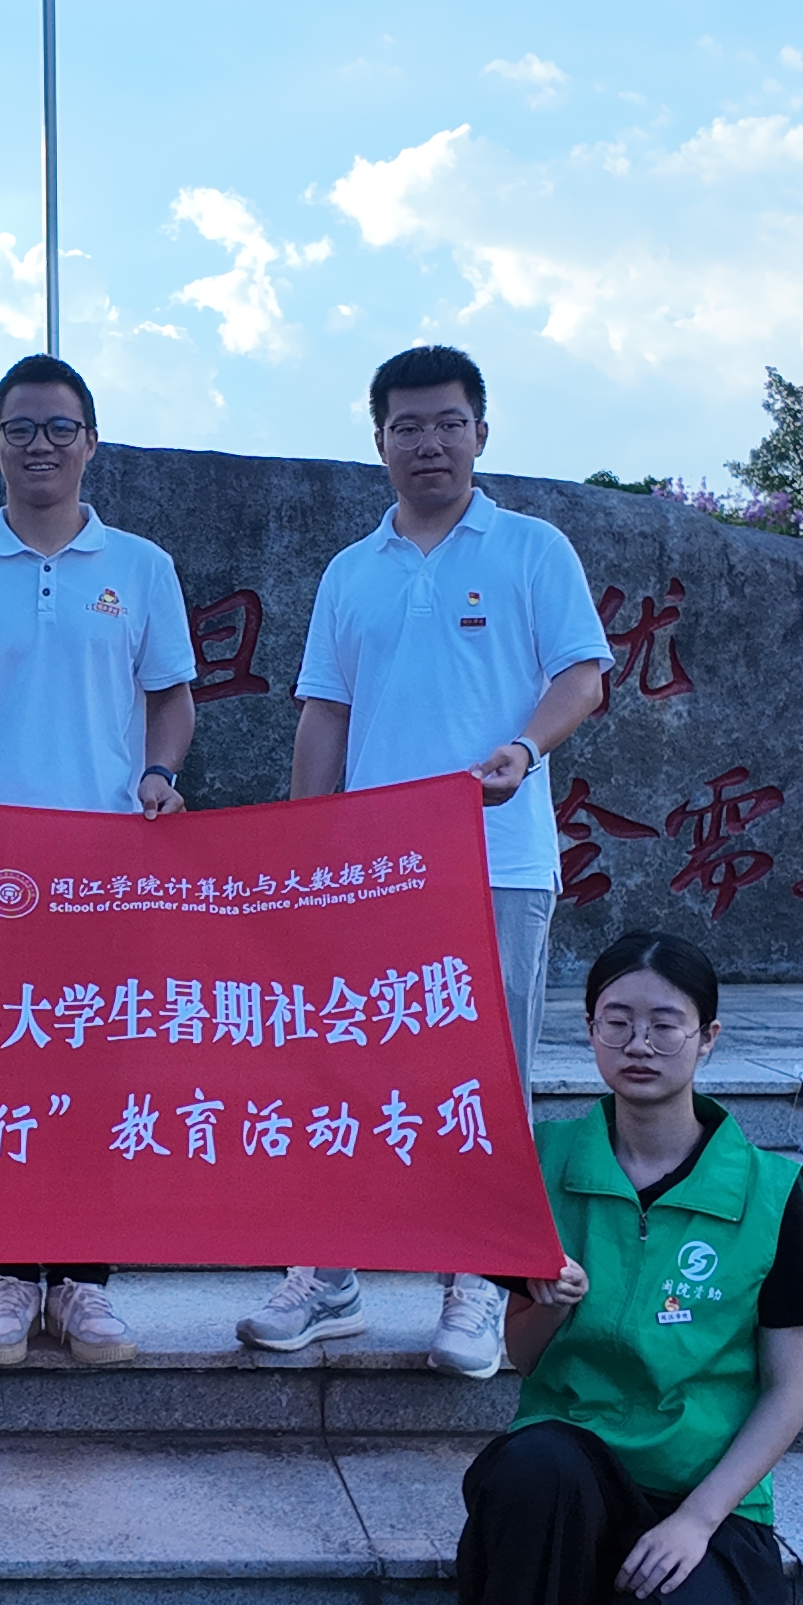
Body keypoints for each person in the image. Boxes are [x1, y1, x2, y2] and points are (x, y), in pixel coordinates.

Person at [234, 344, 612, 1377]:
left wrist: (524, 749)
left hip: (496, 860)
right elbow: (325, 715)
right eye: (407, 426)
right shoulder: (352, 571)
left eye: (449, 422)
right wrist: (302, 858)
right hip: (369, 875)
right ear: (379, 441)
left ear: (481, 432)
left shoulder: (531, 550)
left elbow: (582, 677)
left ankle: (477, 1281)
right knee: (341, 1069)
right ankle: (328, 1273)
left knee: (485, 1077)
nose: (429, 442)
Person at [448, 929, 803, 1605]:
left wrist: (698, 1520)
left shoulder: (768, 1192)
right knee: (536, 1463)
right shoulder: (546, 1164)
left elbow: (789, 1389)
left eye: (666, 1023)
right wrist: (551, 1304)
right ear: (589, 1030)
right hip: (573, 1489)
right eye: (616, 1020)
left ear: (708, 1038)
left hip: (701, 1497)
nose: (639, 1043)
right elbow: (522, 1358)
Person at [0, 353, 197, 1367]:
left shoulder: (141, 568)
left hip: (106, 864)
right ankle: (3, 1277)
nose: (41, 445)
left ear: (91, 443)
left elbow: (172, 698)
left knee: (96, 1069)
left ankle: (82, 1281)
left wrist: (158, 773)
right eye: (20, 428)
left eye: (60, 427)